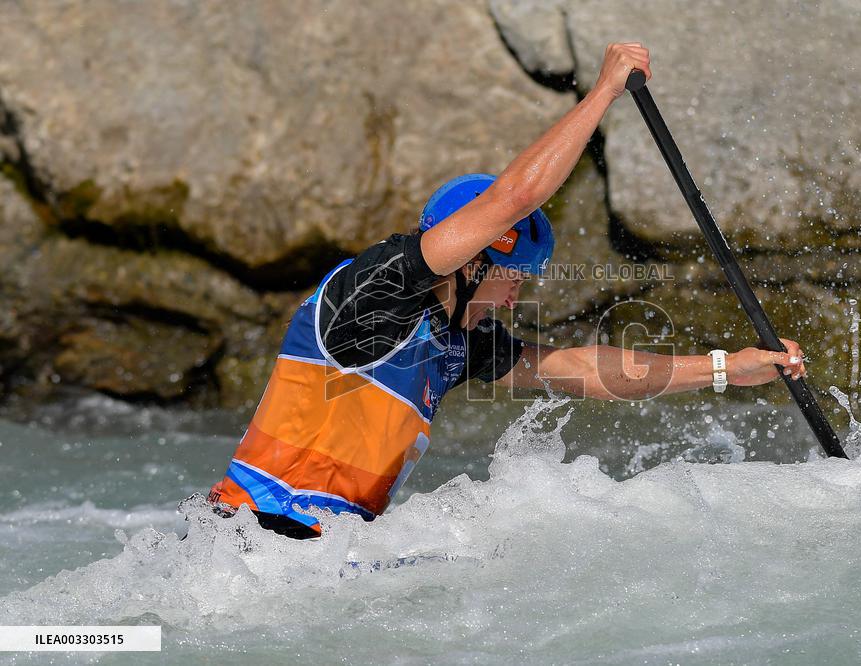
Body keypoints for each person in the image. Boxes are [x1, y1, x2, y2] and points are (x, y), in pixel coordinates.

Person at [208, 43, 808, 539]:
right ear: (470, 262)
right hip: (244, 542)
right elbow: (512, 201)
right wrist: (603, 93)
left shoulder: (457, 340)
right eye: (512, 280)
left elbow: (583, 370)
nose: (513, 299)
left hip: (308, 557)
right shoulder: (374, 293)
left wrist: (726, 368)